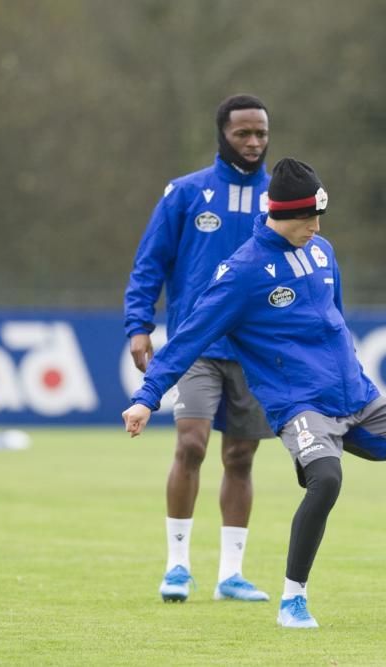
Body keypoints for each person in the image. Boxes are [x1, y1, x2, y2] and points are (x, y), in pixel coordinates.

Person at [122, 157, 386, 628]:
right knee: (326, 480)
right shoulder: (241, 272)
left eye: (319, 215)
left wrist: (353, 376)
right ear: (282, 214)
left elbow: (335, 320)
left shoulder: (322, 251)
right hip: (301, 407)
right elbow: (187, 337)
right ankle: (293, 600)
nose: (317, 225)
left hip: (359, 397)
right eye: (308, 216)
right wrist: (148, 396)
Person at [124, 94, 276, 603]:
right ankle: (177, 567)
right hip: (197, 344)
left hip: (255, 349)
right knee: (191, 444)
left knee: (240, 456)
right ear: (222, 134)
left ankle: (231, 574)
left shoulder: (280, 197)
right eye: (243, 134)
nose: (253, 143)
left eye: (260, 134)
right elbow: (150, 262)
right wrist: (138, 324)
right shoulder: (187, 193)